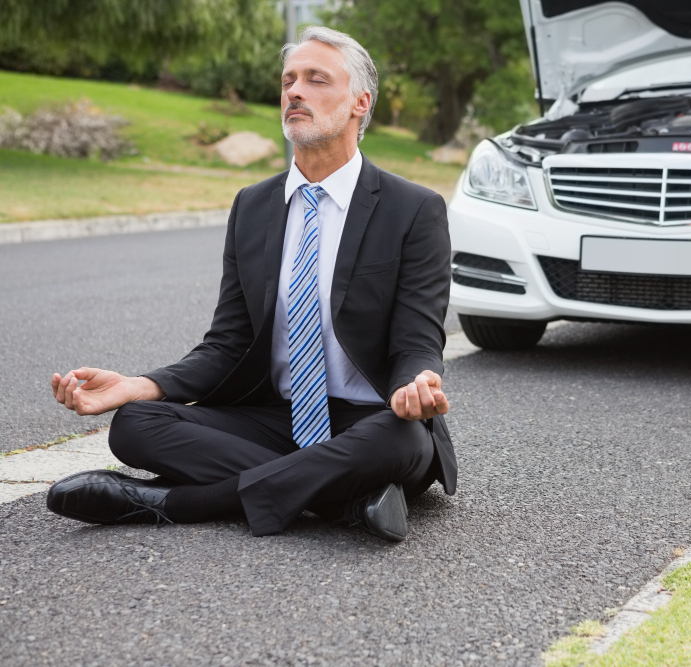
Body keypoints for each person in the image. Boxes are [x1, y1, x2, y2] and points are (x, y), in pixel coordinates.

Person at [45, 27, 456, 542]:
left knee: (403, 444)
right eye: (288, 81)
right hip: (275, 418)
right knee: (135, 424)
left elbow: (418, 338)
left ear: (359, 102)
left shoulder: (414, 209)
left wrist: (414, 386)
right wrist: (140, 386)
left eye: (315, 79)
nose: (294, 92)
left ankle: (170, 502)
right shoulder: (253, 205)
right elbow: (229, 342)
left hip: (369, 419)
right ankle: (343, 497)